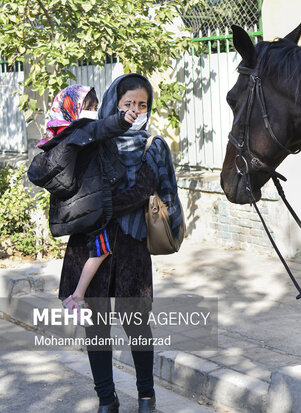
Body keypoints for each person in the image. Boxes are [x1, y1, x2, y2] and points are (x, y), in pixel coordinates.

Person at [57, 73, 183, 413]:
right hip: (91, 245)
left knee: (137, 323)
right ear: (114, 103)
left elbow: (158, 191)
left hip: (131, 245)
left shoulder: (153, 145)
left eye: (142, 105)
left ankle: (146, 399)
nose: (135, 111)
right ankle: (106, 401)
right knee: (96, 326)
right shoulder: (94, 141)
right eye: (128, 104)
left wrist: (172, 230)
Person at [31, 84, 140, 314]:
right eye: (90, 106)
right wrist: (122, 119)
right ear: (76, 109)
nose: (94, 111)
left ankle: (75, 296)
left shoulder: (66, 136)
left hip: (85, 207)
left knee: (97, 251)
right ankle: (76, 298)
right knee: (101, 251)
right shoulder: (82, 131)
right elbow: (103, 127)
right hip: (94, 209)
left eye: (96, 106)